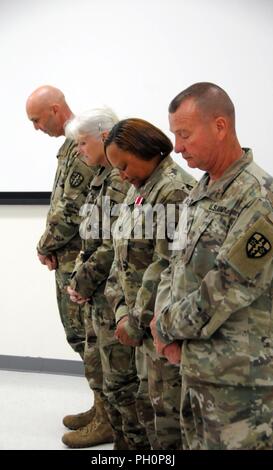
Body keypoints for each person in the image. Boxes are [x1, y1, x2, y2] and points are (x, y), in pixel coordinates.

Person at [151, 82, 273, 450]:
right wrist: (168, 328)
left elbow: (226, 287)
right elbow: (174, 264)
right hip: (201, 370)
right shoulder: (202, 190)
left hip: (244, 388)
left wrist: (164, 327)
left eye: (184, 135)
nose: (177, 148)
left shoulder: (259, 198)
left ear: (220, 126)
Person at [26, 86, 112, 446]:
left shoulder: (81, 147)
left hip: (80, 260)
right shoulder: (70, 147)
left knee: (90, 339)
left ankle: (109, 417)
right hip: (68, 257)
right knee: (82, 338)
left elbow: (72, 209)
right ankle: (101, 406)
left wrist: (46, 244)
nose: (35, 128)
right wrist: (51, 248)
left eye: (36, 119)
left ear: (55, 109)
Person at [104, 118, 196, 449]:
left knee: (169, 422)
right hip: (139, 326)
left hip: (160, 327)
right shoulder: (139, 188)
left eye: (124, 165)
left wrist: (136, 318)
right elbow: (121, 257)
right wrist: (120, 311)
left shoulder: (172, 191)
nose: (121, 174)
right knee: (148, 410)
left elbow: (166, 265)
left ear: (144, 150)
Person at [63, 108, 149, 450]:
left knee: (118, 374)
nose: (79, 151)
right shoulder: (102, 176)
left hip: (110, 291)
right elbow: (93, 234)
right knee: (100, 365)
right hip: (99, 288)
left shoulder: (118, 178)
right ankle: (105, 418)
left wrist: (81, 282)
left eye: (82, 143)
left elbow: (112, 244)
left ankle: (116, 430)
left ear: (103, 137)